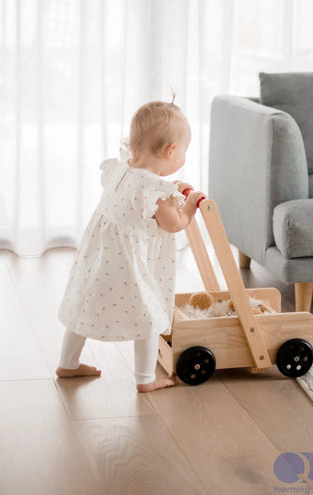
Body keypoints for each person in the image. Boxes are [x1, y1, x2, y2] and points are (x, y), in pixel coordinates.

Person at [56, 99, 204, 392]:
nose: (184, 155)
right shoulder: (154, 190)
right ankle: (146, 380)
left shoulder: (122, 169)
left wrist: (171, 187)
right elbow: (172, 223)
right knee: (149, 316)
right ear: (170, 150)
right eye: (184, 150)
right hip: (126, 265)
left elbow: (141, 194)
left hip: (99, 257)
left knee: (83, 307)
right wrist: (189, 206)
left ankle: (68, 364)